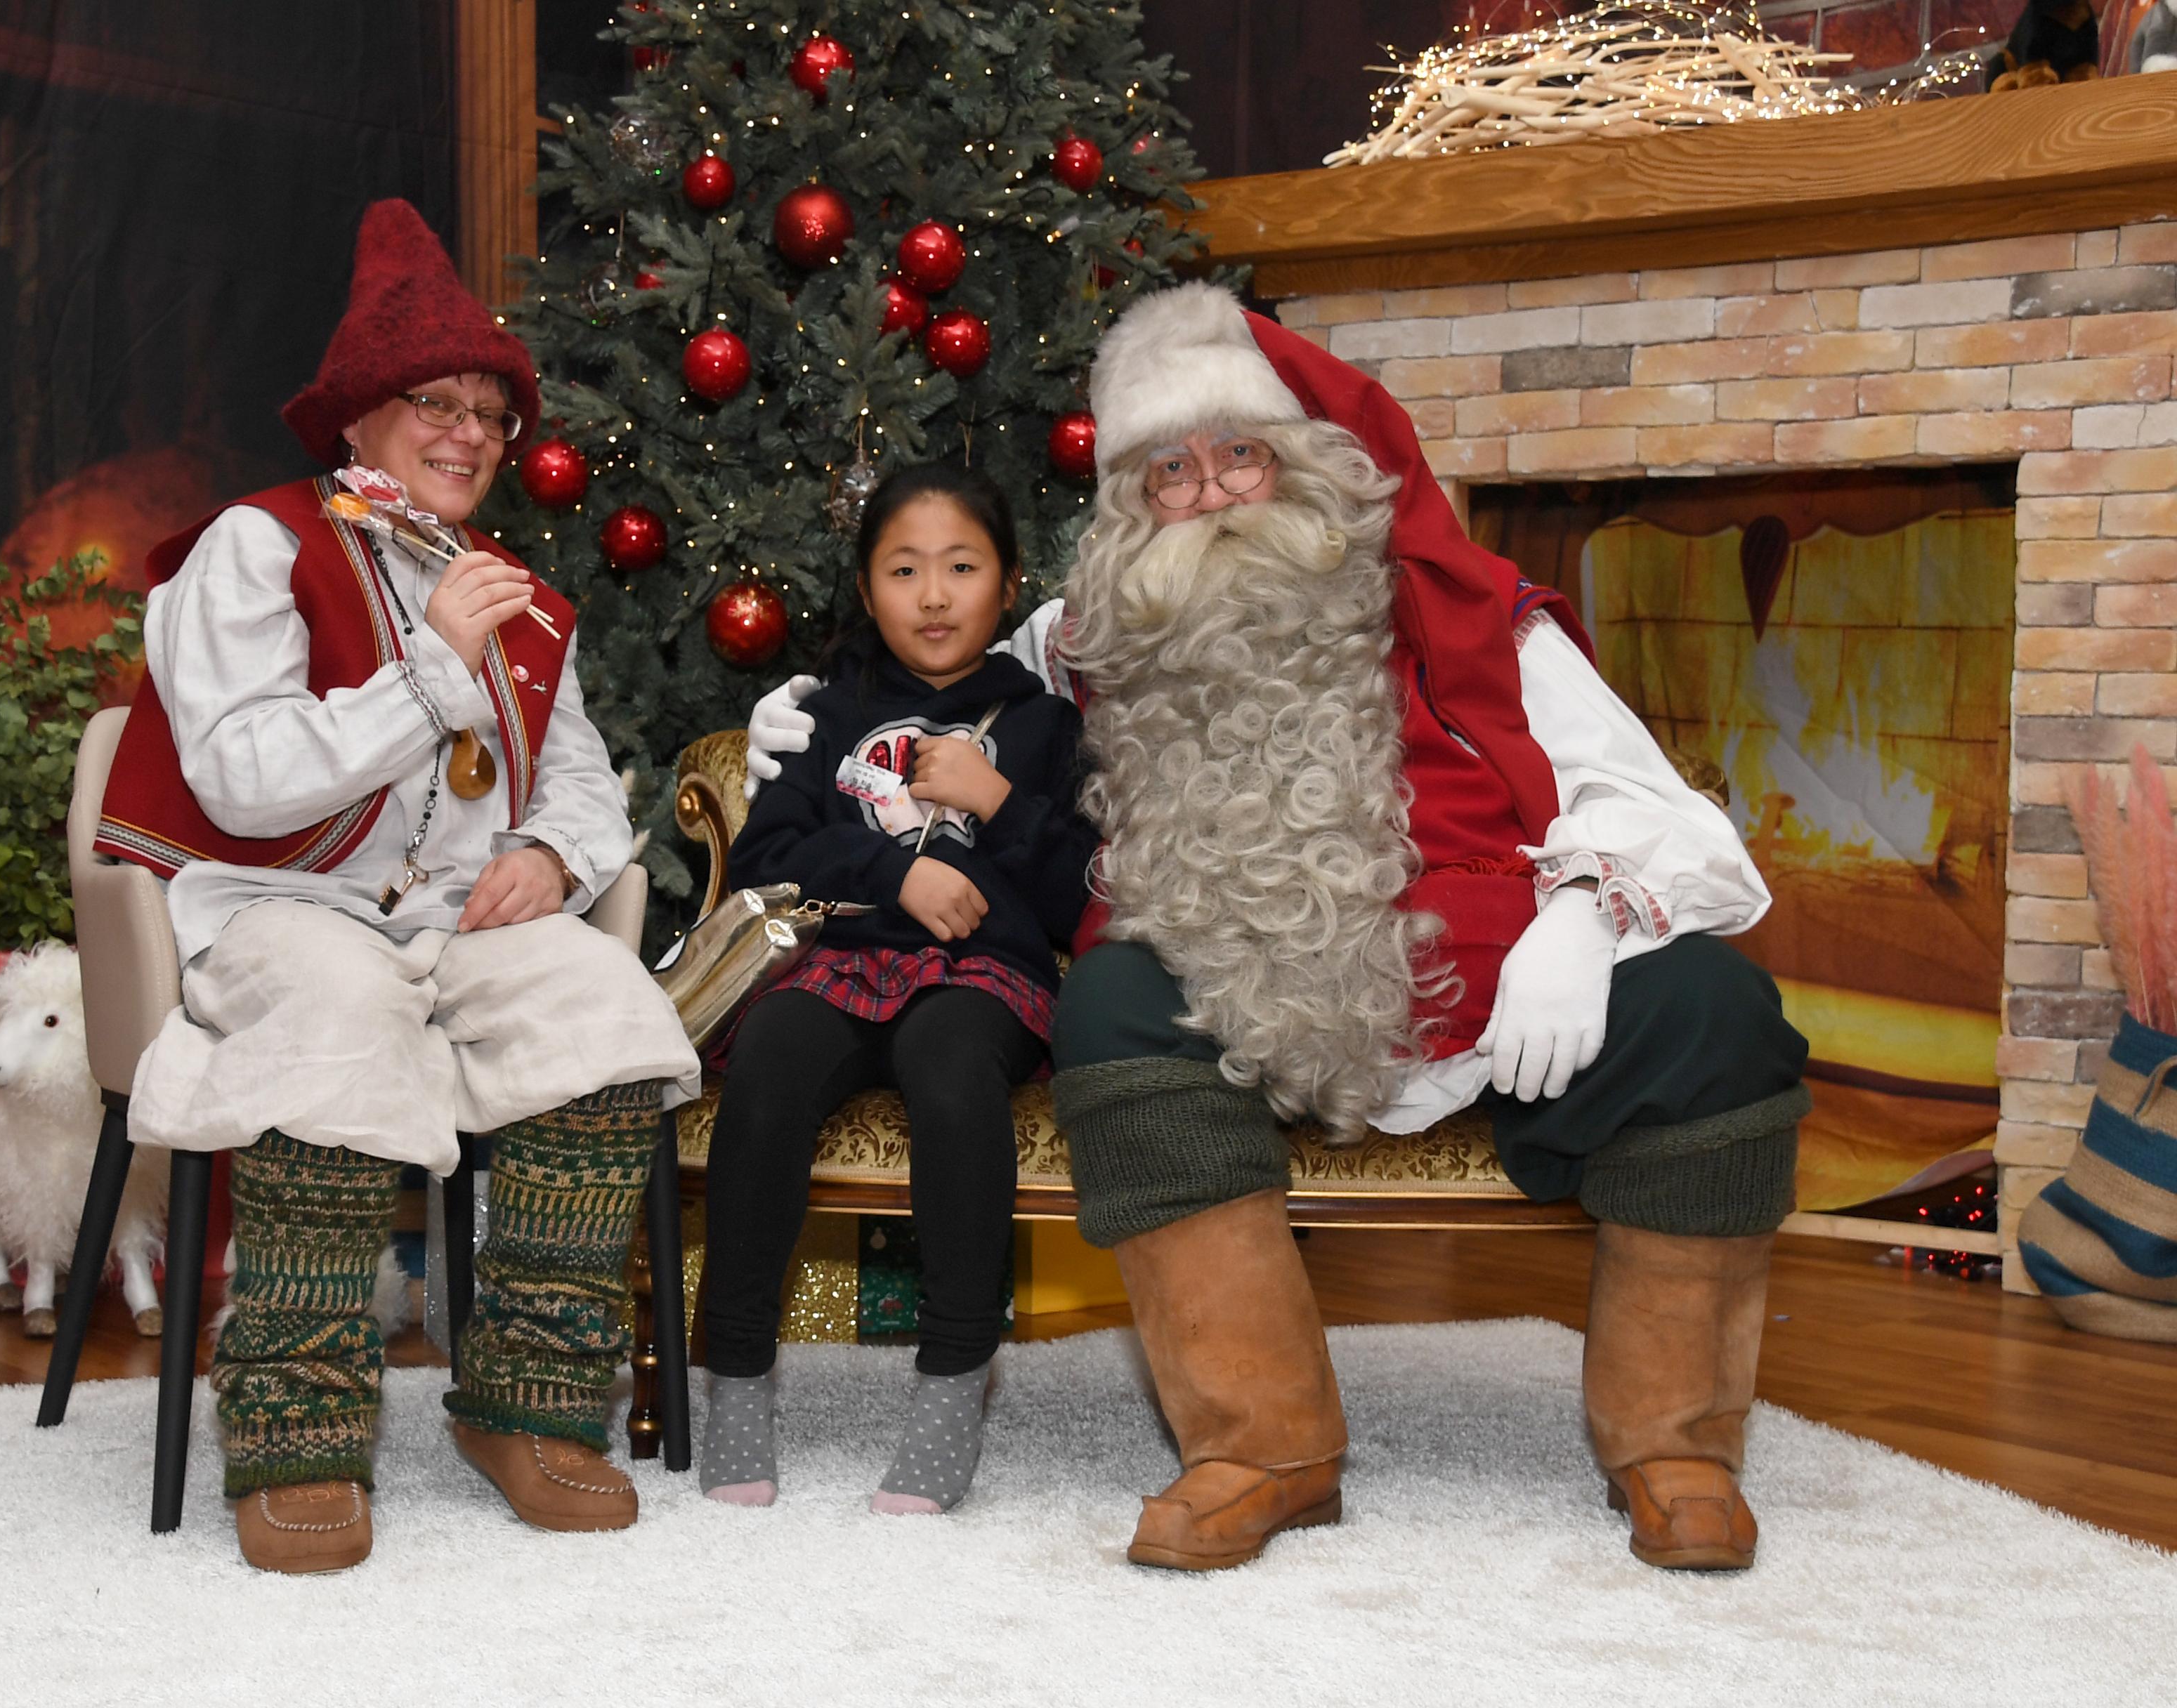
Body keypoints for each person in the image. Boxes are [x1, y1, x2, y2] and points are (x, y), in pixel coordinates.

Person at [744, 282, 1804, 1575]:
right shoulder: (1091, 640)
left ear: (1308, 469)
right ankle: (1261, 1444)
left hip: (1482, 992)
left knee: (1717, 1015)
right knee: (1117, 1004)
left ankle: (1675, 1447)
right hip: (1229, 999)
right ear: (1133, 510)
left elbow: (1676, 824)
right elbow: (925, 659)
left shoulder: (1473, 620)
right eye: (1170, 473)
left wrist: (1583, 923)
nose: (1209, 494)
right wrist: (797, 727)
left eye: (1239, 454)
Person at [93, 199, 699, 1573]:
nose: (470, 433)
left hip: (453, 929)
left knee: (602, 1005)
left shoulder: (522, 601)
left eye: (491, 412)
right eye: (435, 401)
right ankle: (295, 1431)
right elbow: (243, 775)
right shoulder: (253, 547)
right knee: (334, 1005)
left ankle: (530, 1405)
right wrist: (426, 674)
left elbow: (583, 780)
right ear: (358, 418)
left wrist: (551, 855)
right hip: (273, 913)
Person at [696, 464, 1097, 1516]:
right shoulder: (824, 716)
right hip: (834, 961)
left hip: (981, 977)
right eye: (904, 569)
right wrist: (895, 872)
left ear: (1008, 587)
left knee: (951, 1068)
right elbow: (764, 862)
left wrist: (999, 801)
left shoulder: (1045, 727)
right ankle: (734, 1379)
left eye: (961, 568)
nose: (933, 595)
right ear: (868, 589)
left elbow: (1073, 899)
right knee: (772, 1068)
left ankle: (954, 1385)